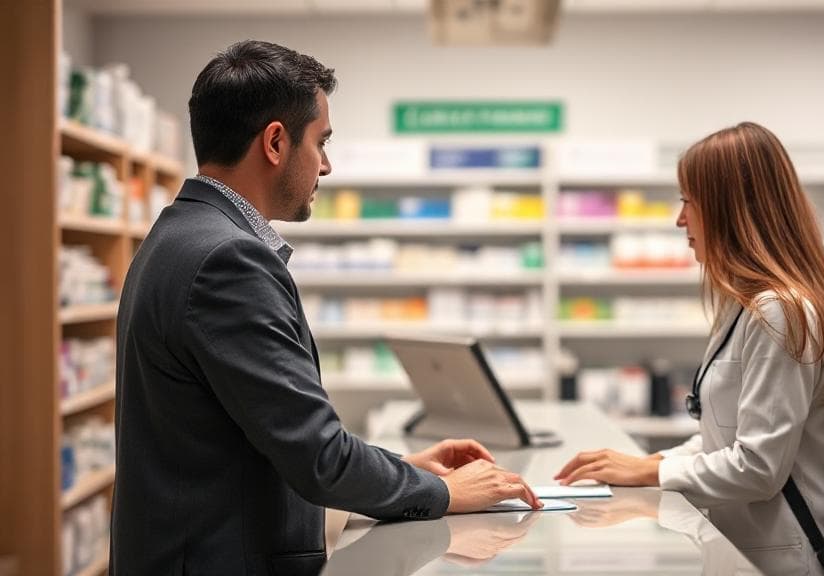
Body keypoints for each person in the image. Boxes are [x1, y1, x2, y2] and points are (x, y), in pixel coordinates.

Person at [111, 40, 540, 575]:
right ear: (275, 142)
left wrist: (402, 468)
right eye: (321, 141)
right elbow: (317, 456)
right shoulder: (228, 259)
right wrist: (442, 491)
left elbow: (274, 433)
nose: (327, 165)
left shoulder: (180, 234)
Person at [554, 122, 824, 576]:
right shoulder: (747, 305)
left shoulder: (779, 310)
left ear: (730, 208)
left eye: (689, 200)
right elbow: (728, 438)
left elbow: (758, 468)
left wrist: (651, 473)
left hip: (787, 560)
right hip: (749, 551)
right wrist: (648, 461)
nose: (680, 219)